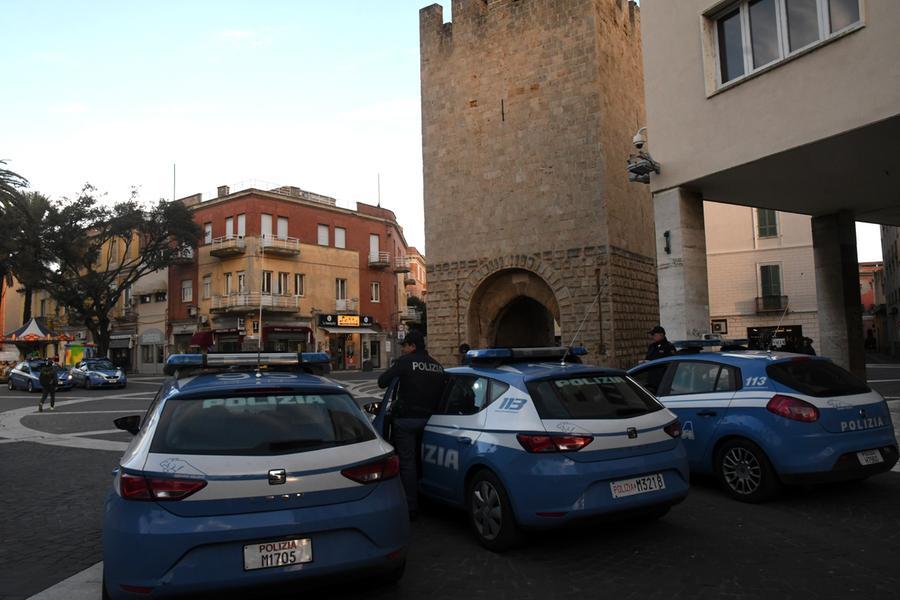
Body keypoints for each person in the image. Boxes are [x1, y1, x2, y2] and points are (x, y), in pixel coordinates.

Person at [377, 329, 445, 520]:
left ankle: (411, 505)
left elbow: (382, 382)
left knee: (407, 462)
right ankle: (429, 496)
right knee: (424, 460)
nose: (404, 349)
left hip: (406, 420)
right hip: (432, 422)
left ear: (413, 346)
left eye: (405, 346)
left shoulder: (405, 362)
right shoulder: (437, 366)